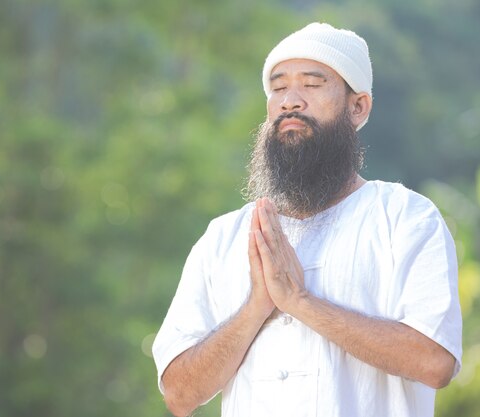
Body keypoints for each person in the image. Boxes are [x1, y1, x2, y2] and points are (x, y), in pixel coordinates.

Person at [152, 22, 462, 417]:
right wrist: (256, 307)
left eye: (312, 85)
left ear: (358, 106)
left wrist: (300, 302)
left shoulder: (404, 218)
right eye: (278, 87)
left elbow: (435, 362)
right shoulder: (224, 237)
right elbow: (179, 394)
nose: (290, 101)